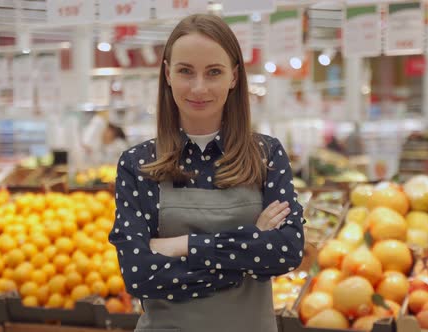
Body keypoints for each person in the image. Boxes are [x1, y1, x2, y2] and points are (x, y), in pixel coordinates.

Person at [109, 14, 305, 332]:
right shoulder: (138, 164)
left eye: (213, 72)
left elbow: (286, 251)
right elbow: (139, 275)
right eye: (186, 71)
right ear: (168, 74)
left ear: (234, 77)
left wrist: (183, 245)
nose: (199, 87)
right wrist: (247, 253)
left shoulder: (266, 155)